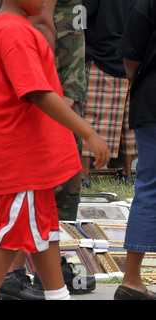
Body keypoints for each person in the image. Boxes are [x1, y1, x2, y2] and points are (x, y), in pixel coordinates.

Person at [0, 0, 110, 300]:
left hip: (23, 158)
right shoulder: (14, 32)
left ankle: (57, 294)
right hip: (22, 158)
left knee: (45, 235)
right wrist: (87, 132)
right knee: (8, 238)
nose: (49, 1)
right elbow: (37, 92)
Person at [114, 0, 156, 300]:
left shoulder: (146, 4)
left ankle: (131, 280)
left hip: (152, 99)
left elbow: (131, 59)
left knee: (149, 188)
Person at [81, 0, 137, 188]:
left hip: (102, 56)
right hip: (133, 61)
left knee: (92, 118)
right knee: (130, 122)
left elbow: (80, 16)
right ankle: (127, 173)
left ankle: (84, 175)